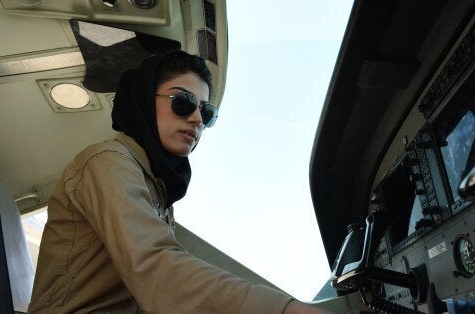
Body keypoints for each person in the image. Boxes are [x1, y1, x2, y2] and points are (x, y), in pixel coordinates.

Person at [29, 50, 325, 313]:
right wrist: (284, 310)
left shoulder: (155, 188)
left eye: (206, 112)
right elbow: (155, 267)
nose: (197, 118)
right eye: (183, 102)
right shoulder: (107, 161)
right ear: (145, 99)